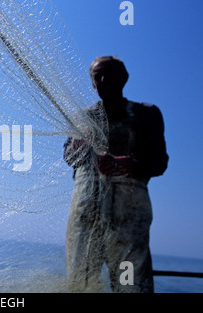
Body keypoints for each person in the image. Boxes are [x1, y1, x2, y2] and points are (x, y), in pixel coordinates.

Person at [63, 56, 168, 292]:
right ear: (92, 84)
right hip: (84, 218)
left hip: (128, 220)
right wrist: (75, 149)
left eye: (109, 74)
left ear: (124, 78)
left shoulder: (146, 114)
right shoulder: (82, 117)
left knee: (130, 285)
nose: (103, 80)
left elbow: (160, 161)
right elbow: (69, 157)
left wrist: (130, 164)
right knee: (79, 285)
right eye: (97, 77)